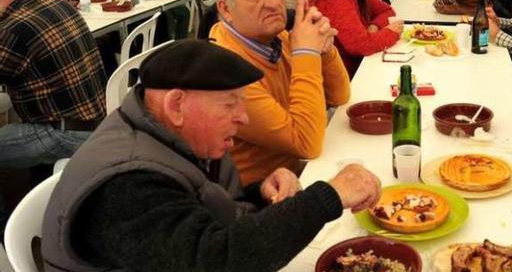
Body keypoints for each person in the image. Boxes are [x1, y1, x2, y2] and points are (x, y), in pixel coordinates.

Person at [41, 39, 380, 272]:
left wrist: (260, 193)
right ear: (176, 105)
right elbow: (217, 261)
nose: (243, 117)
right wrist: (327, 197)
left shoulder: (168, 135)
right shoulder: (127, 186)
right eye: (229, 104)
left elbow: (198, 211)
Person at [209, 0, 350, 184]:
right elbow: (307, 144)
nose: (274, 2)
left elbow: (340, 95)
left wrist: (324, 51)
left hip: (300, 170)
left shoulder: (277, 38)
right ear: (225, 9)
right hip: (260, 195)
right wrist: (306, 53)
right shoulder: (226, 70)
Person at [0, 0, 105, 169]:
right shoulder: (58, 3)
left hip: (64, 133)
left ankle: (15, 204)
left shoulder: (14, 28)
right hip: (96, 121)